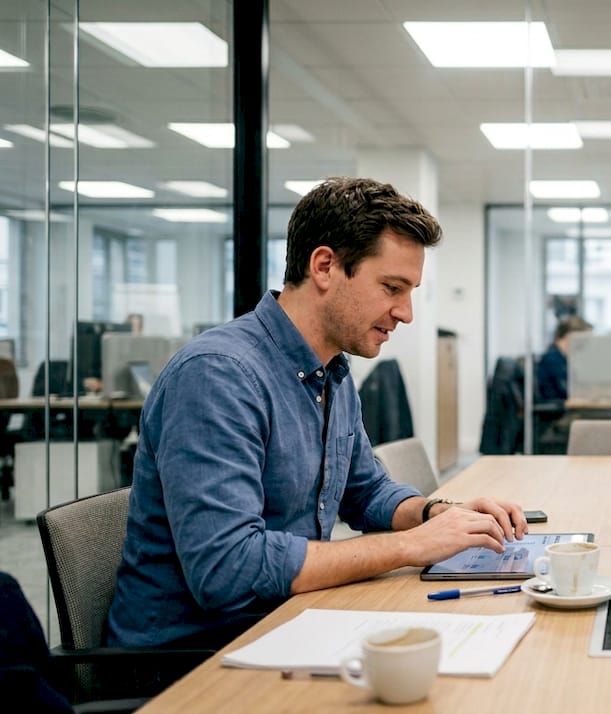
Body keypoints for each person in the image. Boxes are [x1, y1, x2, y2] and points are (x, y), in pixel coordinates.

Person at [106, 177, 528, 649]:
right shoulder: (218, 376)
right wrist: (413, 545)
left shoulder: (330, 373)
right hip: (196, 656)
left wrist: (437, 514)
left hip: (290, 619)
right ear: (325, 266)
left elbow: (366, 491)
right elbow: (228, 569)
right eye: (392, 287)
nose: (406, 313)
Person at [534, 314, 592, 402]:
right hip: (559, 411)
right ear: (570, 336)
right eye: (584, 340)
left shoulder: (562, 357)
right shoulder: (552, 359)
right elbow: (566, 390)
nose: (585, 344)